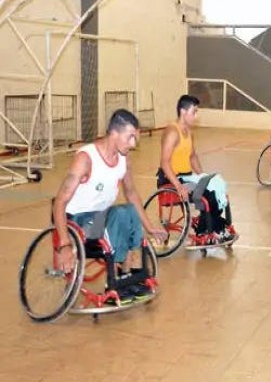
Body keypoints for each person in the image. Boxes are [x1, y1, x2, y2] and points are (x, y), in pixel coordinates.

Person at [53, 109, 167, 304]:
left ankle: (128, 276)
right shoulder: (86, 159)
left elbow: (131, 193)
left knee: (127, 211)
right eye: (130, 137)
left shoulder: (123, 160)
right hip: (78, 223)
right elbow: (60, 202)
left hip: (102, 219)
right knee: (118, 215)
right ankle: (114, 282)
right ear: (114, 133)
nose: (134, 143)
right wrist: (64, 245)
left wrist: (149, 227)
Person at [158, 95, 238, 244]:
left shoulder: (189, 132)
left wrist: (202, 176)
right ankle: (207, 231)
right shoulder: (172, 132)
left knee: (217, 188)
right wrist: (178, 186)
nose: (196, 115)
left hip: (187, 177)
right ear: (183, 112)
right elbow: (164, 162)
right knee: (208, 195)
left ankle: (216, 227)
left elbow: (193, 156)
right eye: (194, 111)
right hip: (172, 179)